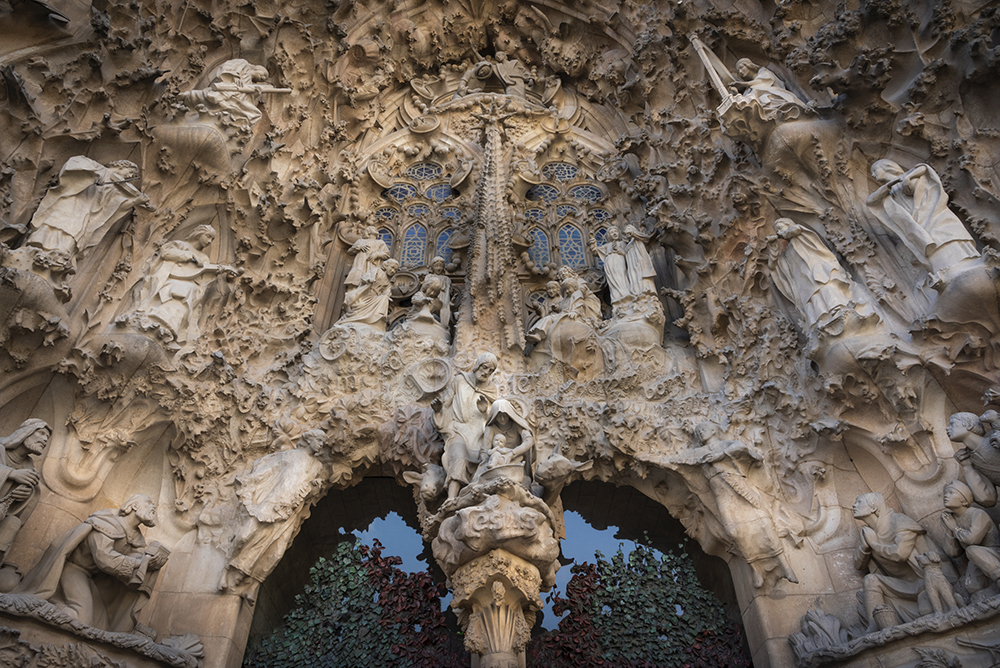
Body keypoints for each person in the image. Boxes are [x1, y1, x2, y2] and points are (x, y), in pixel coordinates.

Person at [16, 495, 168, 634]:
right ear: (134, 506)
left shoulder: (137, 538)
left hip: (89, 577)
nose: (153, 508)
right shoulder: (107, 522)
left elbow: (136, 563)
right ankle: (42, 606)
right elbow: (105, 559)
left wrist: (150, 563)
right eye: (149, 503)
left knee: (100, 626)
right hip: (72, 569)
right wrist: (141, 562)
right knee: (81, 617)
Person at [223, 430, 329, 590]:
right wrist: (250, 483)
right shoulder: (289, 455)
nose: (321, 445)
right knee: (244, 536)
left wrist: (314, 489)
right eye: (319, 440)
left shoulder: (317, 466)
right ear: (310, 439)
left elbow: (309, 494)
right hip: (269, 503)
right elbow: (267, 470)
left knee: (276, 552)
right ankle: (225, 571)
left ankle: (252, 584)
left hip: (289, 511)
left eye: (323, 443)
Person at [125, 225, 240, 347]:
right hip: (169, 277)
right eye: (208, 236)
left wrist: (223, 273)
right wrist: (189, 256)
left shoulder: (204, 258)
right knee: (176, 287)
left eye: (212, 239)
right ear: (198, 234)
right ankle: (155, 316)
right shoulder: (180, 245)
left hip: (190, 285)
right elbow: (165, 253)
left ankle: (171, 326)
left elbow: (202, 277)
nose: (209, 241)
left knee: (189, 290)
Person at [852, 492, 953, 630]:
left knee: (927, 607)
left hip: (926, 581)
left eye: (859, 502)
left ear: (873, 507)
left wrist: (874, 545)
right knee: (870, 580)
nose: (854, 505)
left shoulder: (899, 521)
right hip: (903, 586)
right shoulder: (869, 533)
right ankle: (874, 625)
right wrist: (864, 547)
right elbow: (858, 565)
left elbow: (900, 553)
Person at [867, 160, 981, 281]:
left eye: (875, 170)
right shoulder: (888, 195)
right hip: (922, 230)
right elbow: (870, 201)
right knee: (940, 260)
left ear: (887, 168)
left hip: (937, 221)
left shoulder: (914, 178)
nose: (874, 175)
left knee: (955, 253)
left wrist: (908, 177)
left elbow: (924, 168)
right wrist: (891, 184)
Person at [432, 353, 499, 500]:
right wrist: (438, 410)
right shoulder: (460, 380)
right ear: (477, 366)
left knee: (487, 460)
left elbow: (497, 418)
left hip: (479, 435)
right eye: (484, 367)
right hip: (458, 431)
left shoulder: (492, 390)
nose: (486, 372)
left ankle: (479, 496)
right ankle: (451, 498)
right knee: (459, 456)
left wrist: (485, 410)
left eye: (491, 370)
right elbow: (446, 403)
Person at [768, 218, 856, 330]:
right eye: (777, 231)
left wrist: (785, 233)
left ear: (788, 225)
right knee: (812, 299)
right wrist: (773, 246)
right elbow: (772, 265)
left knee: (826, 289)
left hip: (816, 271)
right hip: (803, 281)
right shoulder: (786, 254)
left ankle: (838, 310)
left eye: (780, 228)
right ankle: (819, 322)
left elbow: (796, 229)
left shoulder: (801, 235)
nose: (779, 232)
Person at [0, 419, 50, 563]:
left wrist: (25, 495)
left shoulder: (28, 465)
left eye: (47, 437)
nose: (45, 439)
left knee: (13, 523)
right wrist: (12, 474)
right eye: (41, 433)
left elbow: (25, 505)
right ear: (25, 432)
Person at [941, 480, 1000, 593]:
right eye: (945, 494)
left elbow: (972, 540)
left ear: (964, 499)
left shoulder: (977, 514)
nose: (946, 496)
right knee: (973, 586)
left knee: (972, 550)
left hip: (994, 553)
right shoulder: (953, 519)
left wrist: (954, 528)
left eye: (951, 493)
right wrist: (949, 529)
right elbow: (953, 553)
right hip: (976, 557)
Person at [730, 58, 812, 120]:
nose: (740, 72)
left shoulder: (763, 72)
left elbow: (763, 82)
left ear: (749, 65)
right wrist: (736, 93)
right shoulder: (748, 89)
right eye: (738, 70)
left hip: (775, 97)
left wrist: (742, 84)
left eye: (741, 67)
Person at [949, 411, 1000, 507]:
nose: (947, 429)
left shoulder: (994, 436)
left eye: (952, 424)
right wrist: (967, 467)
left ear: (968, 424)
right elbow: (988, 499)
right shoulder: (972, 460)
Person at [338, 258, 399, 331]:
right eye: (392, 268)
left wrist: (387, 295)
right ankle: (350, 320)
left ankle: (373, 322)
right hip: (367, 293)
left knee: (384, 299)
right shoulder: (377, 271)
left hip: (375, 297)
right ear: (386, 265)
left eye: (395, 270)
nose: (393, 271)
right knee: (358, 309)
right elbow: (366, 276)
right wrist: (368, 279)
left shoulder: (388, 282)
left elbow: (387, 291)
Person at [589, 227, 630, 305]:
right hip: (609, 263)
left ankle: (625, 295)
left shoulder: (622, 243)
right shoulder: (607, 245)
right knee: (613, 280)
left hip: (620, 261)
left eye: (616, 231)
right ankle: (616, 297)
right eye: (611, 232)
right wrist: (592, 239)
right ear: (608, 236)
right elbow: (595, 251)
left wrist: (618, 250)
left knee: (621, 277)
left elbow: (628, 254)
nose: (614, 233)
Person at [345, 226, 390, 290]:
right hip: (360, 266)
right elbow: (350, 251)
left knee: (370, 285)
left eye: (375, 228)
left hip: (372, 266)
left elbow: (387, 254)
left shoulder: (380, 243)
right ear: (367, 231)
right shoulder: (360, 241)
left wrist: (377, 254)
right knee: (355, 283)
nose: (375, 229)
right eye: (372, 228)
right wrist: (359, 247)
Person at [623, 224, 657, 297]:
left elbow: (646, 238)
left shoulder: (637, 239)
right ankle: (636, 293)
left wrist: (633, 232)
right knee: (634, 278)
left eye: (628, 229)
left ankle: (646, 291)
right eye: (625, 232)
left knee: (642, 276)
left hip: (640, 262)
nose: (627, 232)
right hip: (632, 267)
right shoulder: (627, 245)